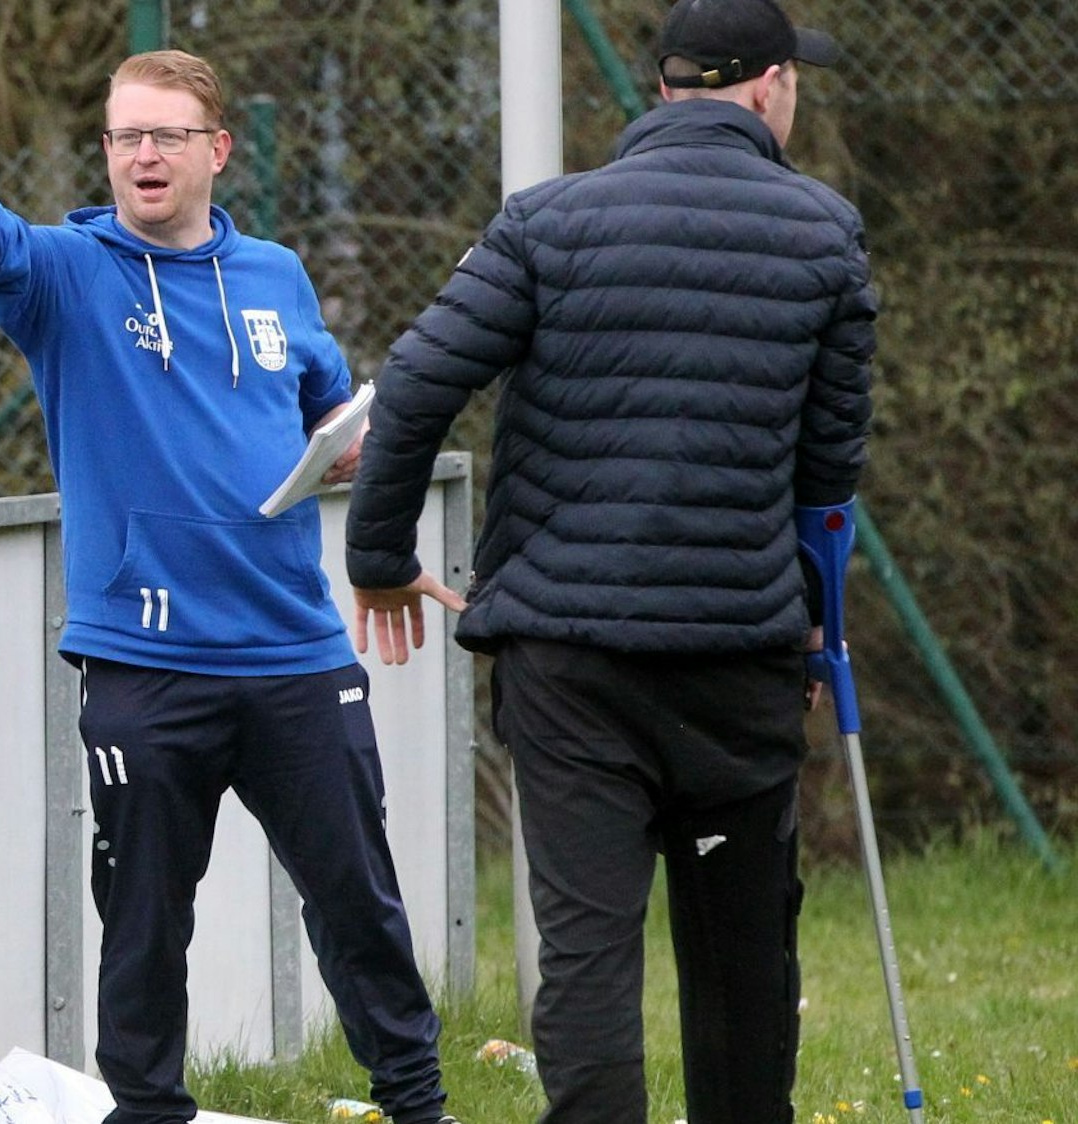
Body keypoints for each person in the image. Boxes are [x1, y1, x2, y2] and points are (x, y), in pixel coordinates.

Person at [0, 49, 458, 1124]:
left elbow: (320, 415)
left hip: (296, 655)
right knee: (142, 917)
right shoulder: (70, 277)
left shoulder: (274, 274)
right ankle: (147, 1106)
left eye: (165, 135)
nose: (142, 155)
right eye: (125, 135)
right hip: (146, 662)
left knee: (357, 898)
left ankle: (417, 1102)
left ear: (215, 150)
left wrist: (343, 453)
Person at [342, 0, 875, 1121]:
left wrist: (380, 556)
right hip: (737, 651)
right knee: (738, 944)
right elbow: (827, 478)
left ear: (668, 90)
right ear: (770, 86)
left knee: (585, 943)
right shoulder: (824, 232)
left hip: (569, 657)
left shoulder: (546, 223)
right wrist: (818, 619)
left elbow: (413, 390)